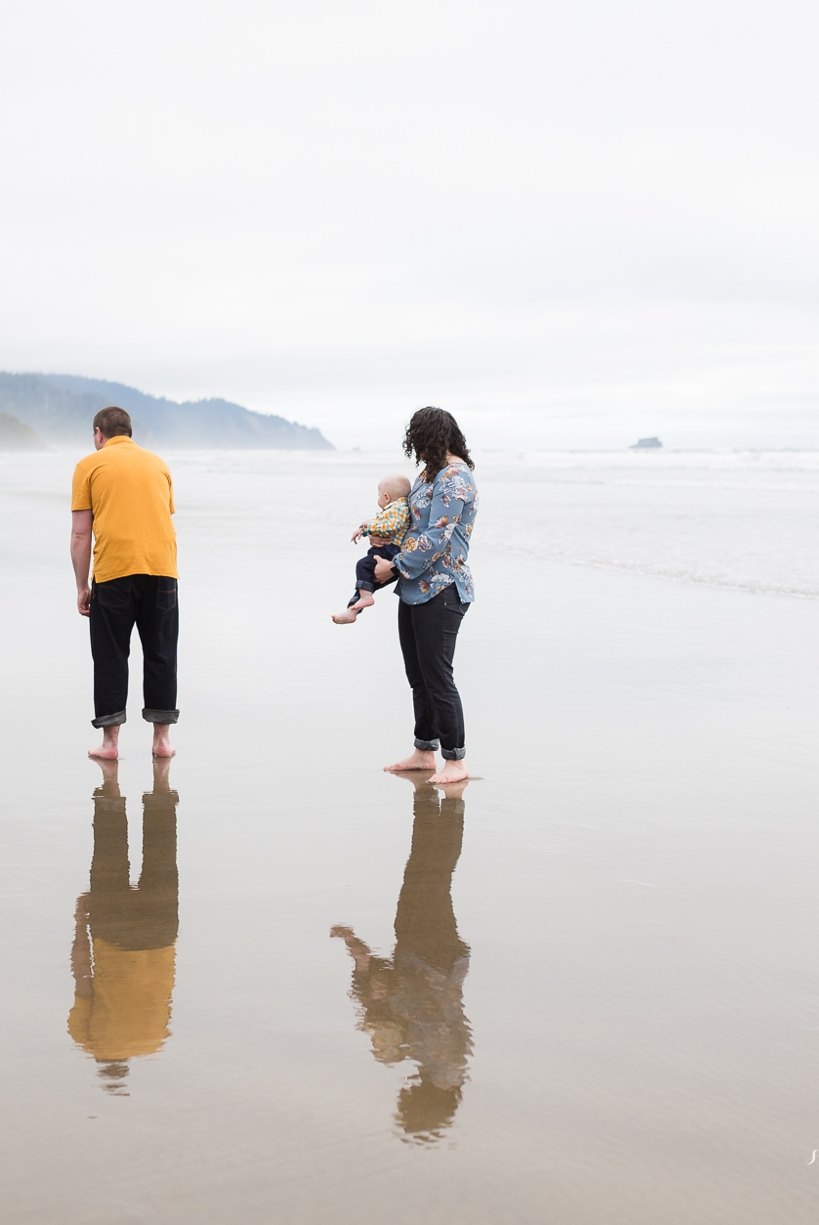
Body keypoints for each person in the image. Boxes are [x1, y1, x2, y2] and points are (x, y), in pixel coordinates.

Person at [330, 779, 473, 1143]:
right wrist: (395, 1041)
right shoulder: (444, 1068)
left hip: (420, 957)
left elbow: (404, 1007)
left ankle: (431, 801)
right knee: (434, 876)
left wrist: (393, 1037)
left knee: (423, 872)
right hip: (434, 959)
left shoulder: (435, 1067)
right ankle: (450, 804)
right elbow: (422, 1012)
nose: (403, 1090)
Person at [70, 406, 179, 759]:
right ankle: (161, 741)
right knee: (161, 653)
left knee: (111, 655)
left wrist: (82, 587)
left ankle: (110, 744)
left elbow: (81, 533)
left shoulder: (89, 465)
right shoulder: (159, 465)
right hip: (162, 571)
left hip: (114, 571)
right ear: (129, 433)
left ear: (99, 434)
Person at [377, 407, 477, 785]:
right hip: (413, 586)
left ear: (432, 437)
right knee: (418, 675)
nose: (415, 448)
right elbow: (412, 523)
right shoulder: (428, 474)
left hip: (443, 588)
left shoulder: (455, 478)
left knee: (438, 677)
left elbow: (436, 537)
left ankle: (456, 760)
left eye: (418, 440)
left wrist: (394, 565)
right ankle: (424, 752)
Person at [69, 756, 179, 1094]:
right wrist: (81, 920)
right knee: (109, 849)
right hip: (113, 933)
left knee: (162, 849)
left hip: (161, 935)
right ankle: (111, 791)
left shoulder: (156, 1040)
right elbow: (82, 976)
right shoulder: (88, 1040)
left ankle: (161, 790)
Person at [332, 473, 412, 624]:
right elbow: (382, 524)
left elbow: (390, 527)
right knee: (366, 582)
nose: (378, 498)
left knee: (362, 566)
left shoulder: (398, 508)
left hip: (389, 551)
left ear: (386, 497)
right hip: (390, 552)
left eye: (378, 495)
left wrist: (369, 527)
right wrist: (364, 529)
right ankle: (352, 610)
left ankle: (364, 600)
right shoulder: (398, 508)